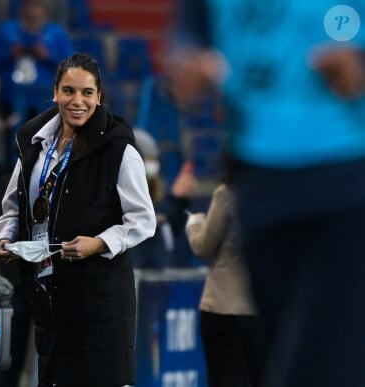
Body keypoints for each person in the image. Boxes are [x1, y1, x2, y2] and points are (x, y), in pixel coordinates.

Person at [170, 1, 365, 386]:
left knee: (332, 354)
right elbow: (188, 38)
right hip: (259, 178)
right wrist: (188, 66)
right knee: (277, 356)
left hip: (347, 173)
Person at [0, 52, 157, 387]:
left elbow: (142, 219)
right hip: (49, 294)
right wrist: (6, 237)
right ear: (54, 92)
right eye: (68, 91)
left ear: (99, 97)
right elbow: (14, 204)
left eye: (86, 93)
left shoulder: (120, 151)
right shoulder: (35, 144)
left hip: (100, 298)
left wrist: (99, 243)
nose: (77, 101)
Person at [185, 157, 263, 387]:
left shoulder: (228, 193)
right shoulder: (287, 196)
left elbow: (203, 246)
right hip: (264, 310)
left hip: (223, 308)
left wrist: (195, 224)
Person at [0, 0, 75, 170]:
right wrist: (10, 53)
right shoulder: (8, 30)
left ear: (44, 12)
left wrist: (48, 55)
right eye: (28, 11)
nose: (32, 15)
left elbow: (71, 64)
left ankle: (43, 173)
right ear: (22, 11)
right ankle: (10, 175)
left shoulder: (56, 33)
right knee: (11, 141)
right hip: (11, 98)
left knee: (44, 140)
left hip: (45, 100)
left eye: (36, 11)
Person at [129, 128, 198, 268]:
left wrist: (181, 201)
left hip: (160, 280)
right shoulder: (122, 190)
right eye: (149, 158)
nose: (154, 164)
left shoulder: (154, 193)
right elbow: (148, 218)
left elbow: (170, 225)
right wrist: (175, 198)